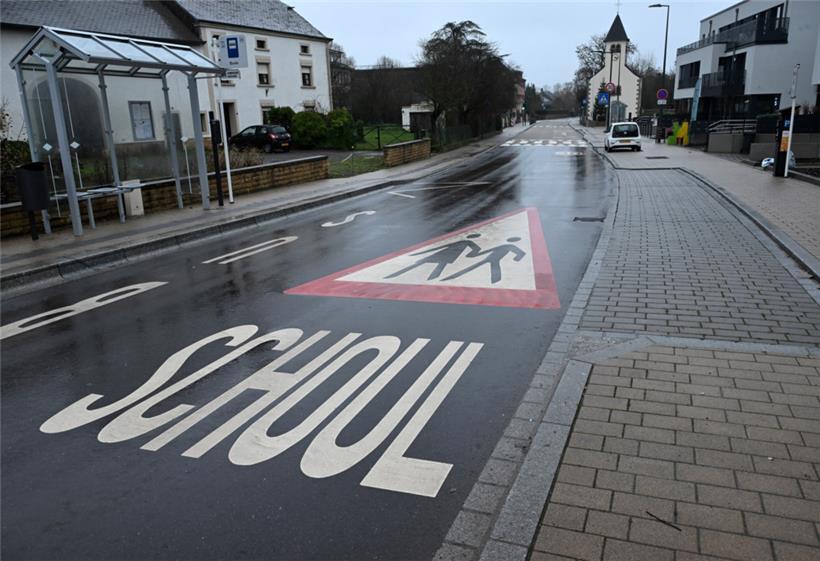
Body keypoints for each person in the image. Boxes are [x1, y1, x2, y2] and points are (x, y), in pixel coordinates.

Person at [385, 234, 482, 281]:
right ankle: (432, 278)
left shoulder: (468, 242)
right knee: (440, 265)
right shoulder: (469, 242)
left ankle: (396, 274)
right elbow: (476, 249)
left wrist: (421, 253)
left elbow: (439, 247)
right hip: (450, 255)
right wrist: (471, 254)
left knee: (423, 263)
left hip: (445, 254)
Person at [440, 237, 526, 284]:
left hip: (494, 258)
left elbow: (521, 253)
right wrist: (476, 255)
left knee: (493, 267)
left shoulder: (510, 246)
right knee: (480, 266)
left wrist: (516, 259)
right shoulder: (505, 246)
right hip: (489, 257)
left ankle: (496, 280)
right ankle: (496, 280)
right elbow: (489, 250)